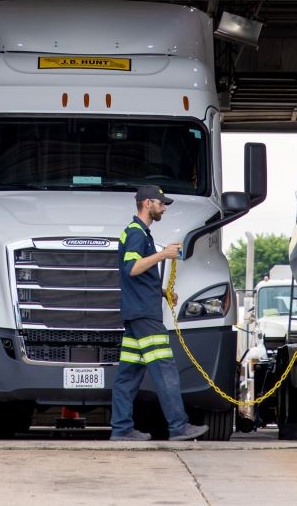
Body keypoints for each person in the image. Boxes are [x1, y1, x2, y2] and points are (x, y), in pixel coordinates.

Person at [109, 185, 209, 442]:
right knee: (165, 370)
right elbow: (131, 268)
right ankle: (179, 426)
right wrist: (164, 254)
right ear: (146, 203)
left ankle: (121, 429)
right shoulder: (137, 234)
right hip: (145, 315)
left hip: (136, 313)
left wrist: (162, 291)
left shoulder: (139, 233)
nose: (164, 207)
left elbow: (135, 275)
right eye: (161, 203)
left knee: (127, 376)